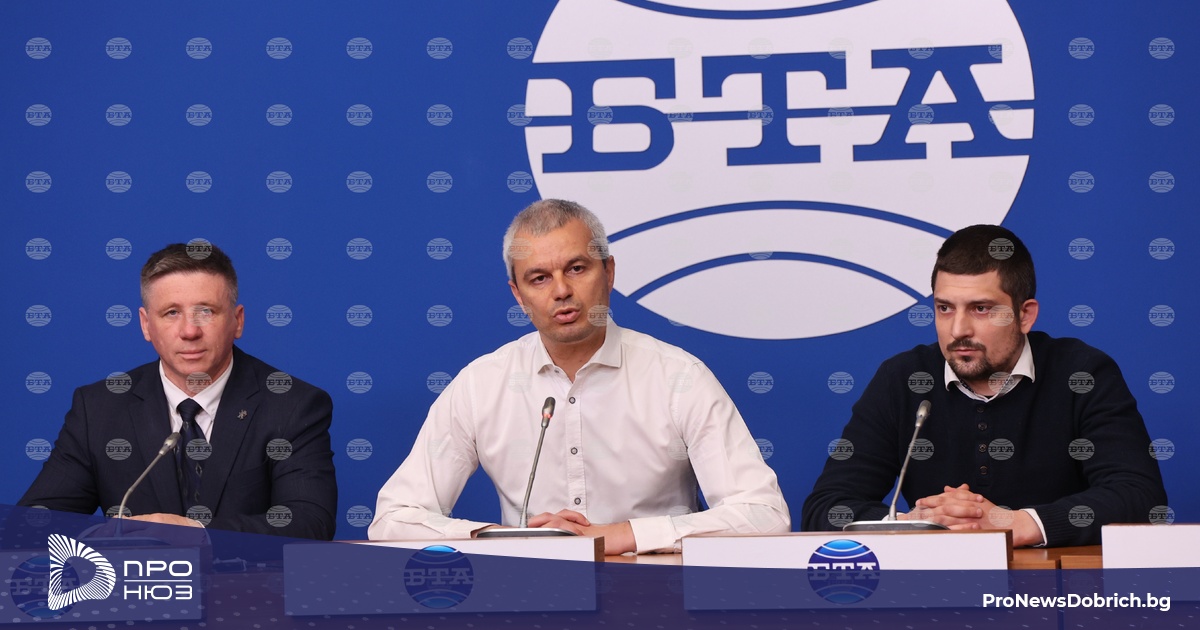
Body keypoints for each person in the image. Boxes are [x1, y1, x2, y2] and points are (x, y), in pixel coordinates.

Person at [370, 199, 790, 554]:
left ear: (608, 272)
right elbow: (393, 518)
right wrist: (500, 538)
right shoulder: (482, 384)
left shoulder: (677, 377)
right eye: (539, 278)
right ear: (518, 294)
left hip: (657, 598)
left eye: (576, 268)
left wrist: (621, 536)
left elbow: (765, 516)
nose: (561, 291)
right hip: (529, 597)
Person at [801, 225, 1166, 547]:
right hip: (934, 589)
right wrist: (915, 524)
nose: (958, 330)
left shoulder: (1081, 373)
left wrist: (1015, 524)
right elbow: (826, 507)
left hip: (1057, 589)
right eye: (945, 308)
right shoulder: (904, 378)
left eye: (981, 309)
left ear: (1025, 315)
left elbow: (1140, 496)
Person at [20, 242, 338, 540]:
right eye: (171, 313)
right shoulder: (99, 408)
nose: (189, 331)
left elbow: (310, 522)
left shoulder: (292, 405)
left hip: (251, 580)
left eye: (206, 311)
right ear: (146, 325)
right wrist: (104, 541)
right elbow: (34, 524)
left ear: (237, 321)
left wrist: (197, 534)